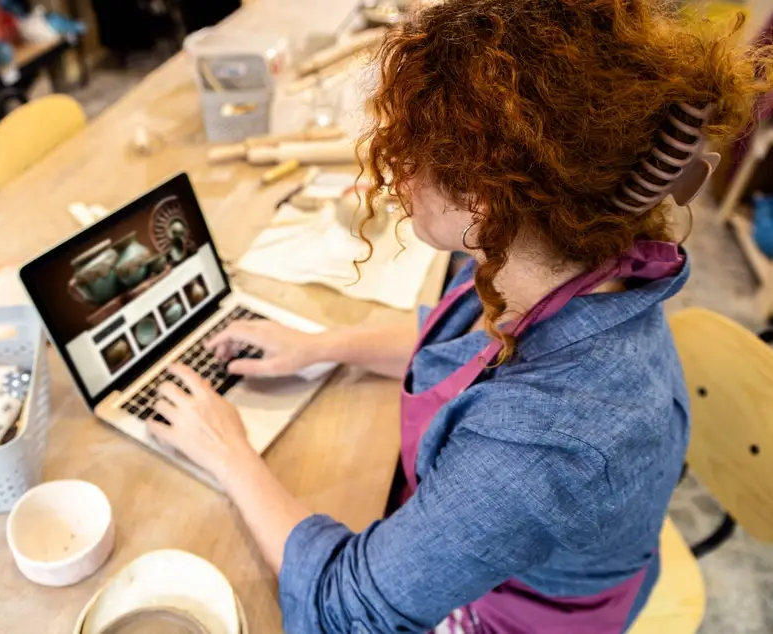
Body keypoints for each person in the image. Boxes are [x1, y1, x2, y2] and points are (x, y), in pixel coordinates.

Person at [148, 1, 769, 632]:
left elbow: (348, 606)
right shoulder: (573, 259)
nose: (399, 177)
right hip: (557, 552)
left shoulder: (546, 440)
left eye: (412, 153)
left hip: (520, 616)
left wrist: (229, 453)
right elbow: (467, 345)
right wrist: (320, 345)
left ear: (483, 198)